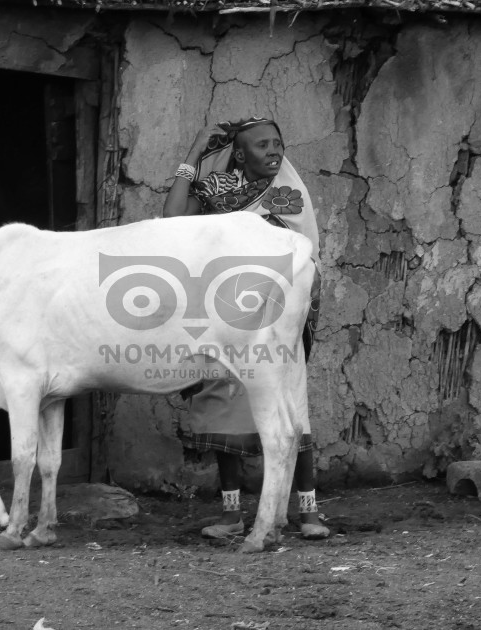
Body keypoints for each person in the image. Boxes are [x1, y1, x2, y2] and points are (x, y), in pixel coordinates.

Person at [162, 116, 328, 541]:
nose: (273, 151)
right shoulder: (216, 190)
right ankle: (232, 513)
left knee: (291, 407)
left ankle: (309, 512)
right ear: (239, 154)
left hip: (277, 317)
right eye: (262, 145)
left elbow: (300, 258)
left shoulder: (288, 197)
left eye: (277, 143)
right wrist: (194, 153)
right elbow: (172, 218)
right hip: (226, 315)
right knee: (225, 402)